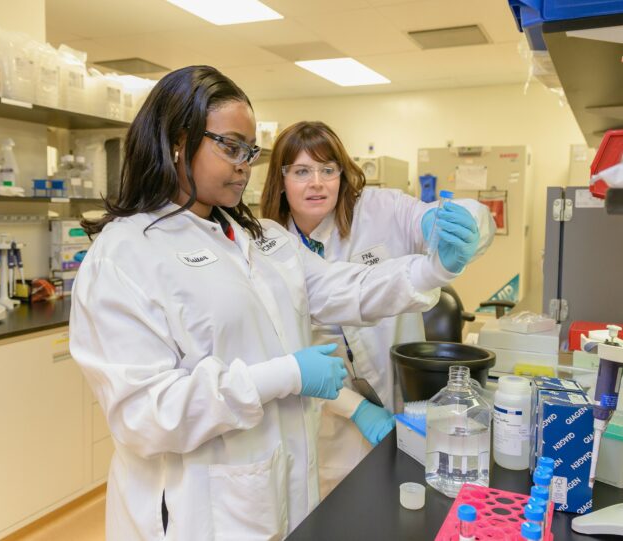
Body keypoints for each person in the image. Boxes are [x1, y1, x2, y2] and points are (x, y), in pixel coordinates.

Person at [70, 66, 470, 541]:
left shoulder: (262, 237)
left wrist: (432, 269)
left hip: (282, 492)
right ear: (178, 142)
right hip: (197, 512)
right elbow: (146, 415)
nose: (243, 164)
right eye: (230, 147)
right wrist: (285, 375)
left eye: (250, 152)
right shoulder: (125, 255)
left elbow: (345, 289)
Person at [260, 120, 495, 498]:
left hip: (404, 394)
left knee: (415, 497)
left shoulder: (380, 209)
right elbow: (290, 355)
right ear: (281, 180)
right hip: (331, 415)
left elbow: (446, 218)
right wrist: (355, 408)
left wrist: (466, 221)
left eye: (327, 169)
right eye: (302, 171)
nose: (316, 182)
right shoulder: (271, 247)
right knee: (347, 506)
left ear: (342, 173)